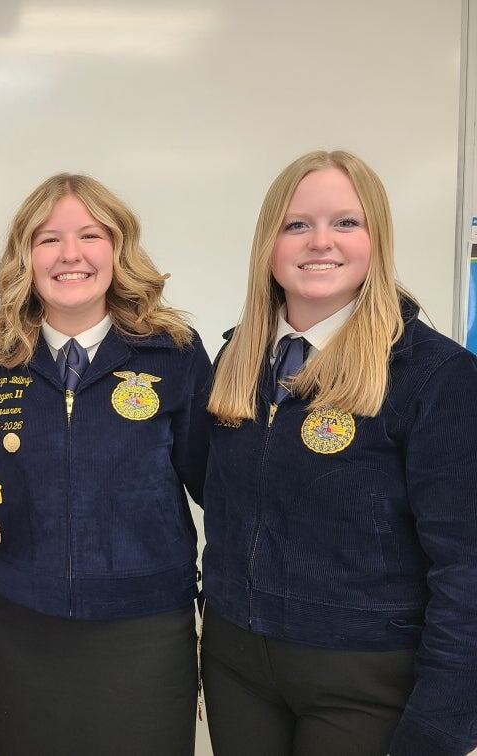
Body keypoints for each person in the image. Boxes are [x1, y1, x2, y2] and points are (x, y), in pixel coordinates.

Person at [201, 150, 477, 756]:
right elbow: (219, 497)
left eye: (346, 223)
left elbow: (465, 563)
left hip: (363, 677)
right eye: (296, 224)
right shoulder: (237, 361)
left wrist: (444, 722)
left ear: (377, 239)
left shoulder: (435, 375)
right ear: (269, 243)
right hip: (236, 663)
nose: (320, 241)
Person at [0, 173, 211, 754]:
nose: (70, 254)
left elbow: (215, 483)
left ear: (118, 249)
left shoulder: (173, 352)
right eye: (49, 239)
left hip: (147, 624)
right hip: (25, 621)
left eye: (90, 235)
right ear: (26, 256)